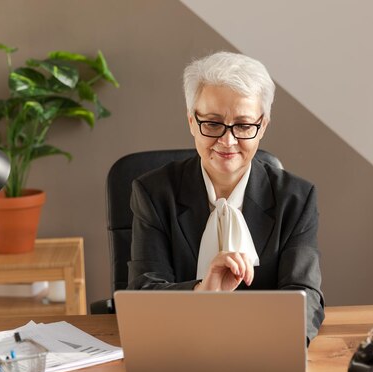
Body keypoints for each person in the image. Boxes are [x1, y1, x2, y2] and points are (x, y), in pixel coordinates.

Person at [127, 51, 325, 343]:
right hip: (178, 344)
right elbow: (142, 295)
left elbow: (306, 296)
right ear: (192, 122)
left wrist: (276, 346)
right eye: (212, 123)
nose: (228, 141)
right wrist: (201, 292)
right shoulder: (153, 193)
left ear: (263, 127)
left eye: (244, 126)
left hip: (265, 346)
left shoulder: (296, 198)